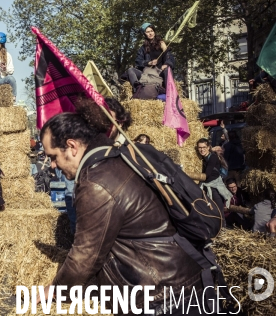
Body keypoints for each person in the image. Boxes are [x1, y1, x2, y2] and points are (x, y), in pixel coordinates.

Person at [38, 100, 203, 313]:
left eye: (53, 157)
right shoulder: (115, 157)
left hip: (160, 296)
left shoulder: (96, 182)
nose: (52, 165)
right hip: (178, 282)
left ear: (72, 146)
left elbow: (86, 255)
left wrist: (55, 290)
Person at [121, 23, 175, 91]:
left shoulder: (162, 44)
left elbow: (169, 57)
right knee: (130, 70)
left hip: (160, 73)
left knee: (168, 70)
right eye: (148, 32)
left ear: (154, 32)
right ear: (144, 34)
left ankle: (169, 92)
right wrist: (149, 63)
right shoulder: (142, 48)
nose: (150, 33)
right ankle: (137, 89)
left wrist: (167, 64)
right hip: (147, 74)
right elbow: (138, 62)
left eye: (152, 31)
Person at [194, 138, 232, 211]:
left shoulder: (212, 157)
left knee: (218, 208)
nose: (202, 150)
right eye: (200, 147)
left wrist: (191, 176)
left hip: (214, 186)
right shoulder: (203, 158)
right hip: (206, 184)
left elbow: (207, 174)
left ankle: (222, 222)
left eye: (204, 147)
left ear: (208, 147)